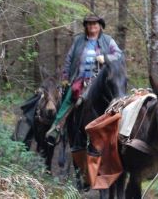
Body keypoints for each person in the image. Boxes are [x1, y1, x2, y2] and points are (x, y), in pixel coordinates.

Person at [46, 14, 123, 145]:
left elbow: (119, 55)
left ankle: (121, 133)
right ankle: (56, 129)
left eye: (95, 24)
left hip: (101, 80)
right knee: (68, 99)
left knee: (117, 101)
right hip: (80, 79)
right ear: (86, 26)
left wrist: (106, 58)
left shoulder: (108, 40)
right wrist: (65, 77)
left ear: (100, 26)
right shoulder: (78, 41)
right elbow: (69, 59)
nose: (92, 26)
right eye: (89, 24)